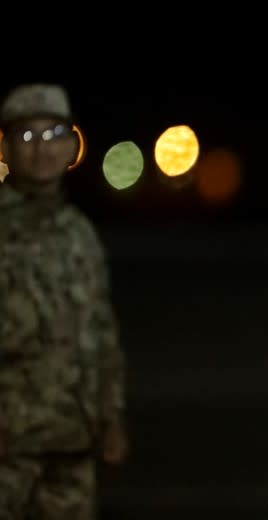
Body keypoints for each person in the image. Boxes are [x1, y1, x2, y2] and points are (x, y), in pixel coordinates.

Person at [0, 83, 128, 519]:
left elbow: (101, 330)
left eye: (54, 135)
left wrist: (110, 417)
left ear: (71, 146)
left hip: (72, 442)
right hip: (8, 444)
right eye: (28, 137)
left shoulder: (79, 232)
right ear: (7, 147)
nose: (42, 150)